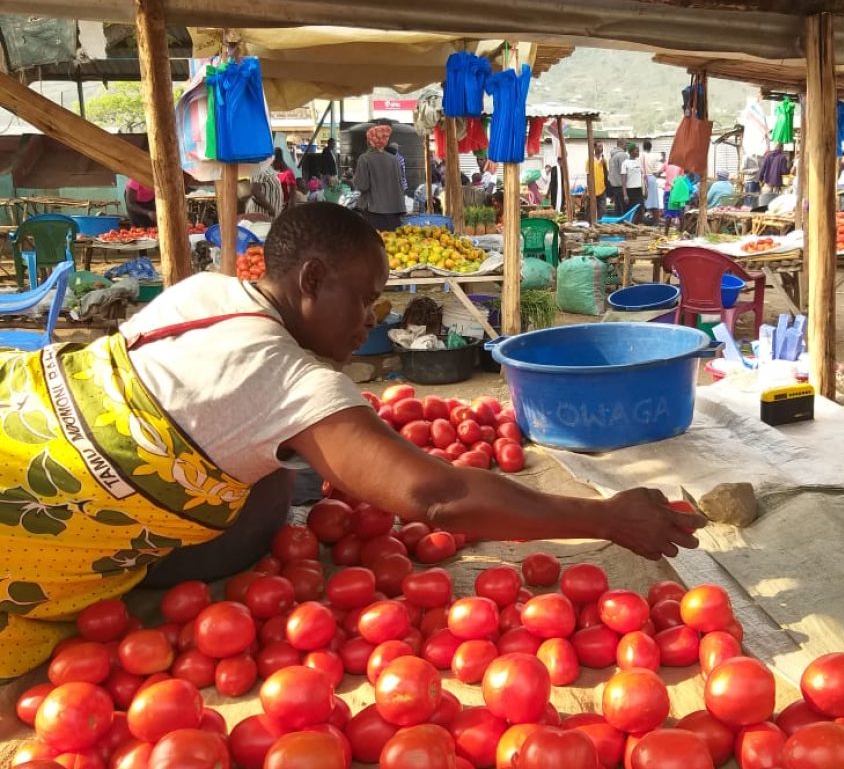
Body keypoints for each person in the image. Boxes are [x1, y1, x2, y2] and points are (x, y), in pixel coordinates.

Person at [0, 202, 704, 677]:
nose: (370, 316)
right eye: (365, 297)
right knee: (280, 484)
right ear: (310, 279)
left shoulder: (203, 293)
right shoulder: (288, 378)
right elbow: (439, 496)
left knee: (284, 478)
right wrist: (603, 516)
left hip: (18, 413)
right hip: (25, 518)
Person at [355, 125, 406, 231]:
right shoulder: (394, 159)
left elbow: (362, 185)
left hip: (374, 211)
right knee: (393, 243)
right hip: (395, 211)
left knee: (375, 243)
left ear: (370, 142)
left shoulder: (364, 159)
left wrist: (354, 180)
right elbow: (400, 184)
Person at [640, 140, 662, 226]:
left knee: (643, 201)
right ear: (651, 147)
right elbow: (657, 170)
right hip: (652, 179)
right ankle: (656, 221)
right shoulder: (655, 156)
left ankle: (642, 221)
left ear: (643, 147)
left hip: (642, 179)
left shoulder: (640, 155)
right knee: (654, 202)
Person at [620, 143, 643, 222]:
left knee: (640, 211)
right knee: (630, 211)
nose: (638, 152)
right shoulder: (625, 163)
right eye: (636, 151)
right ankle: (630, 226)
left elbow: (642, 177)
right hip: (630, 190)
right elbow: (623, 181)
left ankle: (634, 226)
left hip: (638, 190)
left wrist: (645, 190)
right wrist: (625, 195)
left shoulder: (639, 162)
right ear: (631, 152)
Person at [607, 140, 628, 216]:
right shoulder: (622, 155)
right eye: (626, 144)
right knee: (625, 209)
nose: (627, 146)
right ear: (620, 144)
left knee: (618, 209)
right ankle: (625, 225)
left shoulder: (612, 157)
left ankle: (618, 225)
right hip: (622, 187)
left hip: (614, 187)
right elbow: (624, 172)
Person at [588, 143, 608, 220]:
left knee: (602, 210)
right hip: (593, 189)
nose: (601, 148)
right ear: (594, 147)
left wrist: (604, 165)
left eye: (602, 146)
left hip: (602, 189)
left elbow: (606, 175)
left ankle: (600, 225)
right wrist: (589, 188)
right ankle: (591, 225)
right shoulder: (589, 160)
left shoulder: (604, 160)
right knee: (591, 210)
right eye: (599, 146)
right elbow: (588, 175)